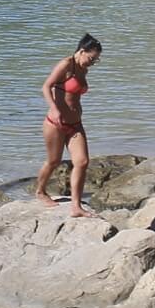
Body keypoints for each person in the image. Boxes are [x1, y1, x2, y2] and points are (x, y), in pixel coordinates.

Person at [34, 34, 103, 218]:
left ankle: (76, 207)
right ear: (81, 51)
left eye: (95, 60)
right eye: (91, 58)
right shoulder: (66, 64)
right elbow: (46, 86)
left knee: (82, 162)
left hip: (75, 124)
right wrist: (54, 108)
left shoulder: (83, 69)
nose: (92, 63)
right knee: (53, 161)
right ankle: (40, 191)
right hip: (55, 123)